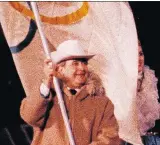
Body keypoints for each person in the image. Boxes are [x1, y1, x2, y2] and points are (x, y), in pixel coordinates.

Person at [20, 40, 120, 145]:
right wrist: (46, 84)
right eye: (75, 63)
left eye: (84, 63)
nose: (82, 68)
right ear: (61, 69)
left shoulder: (102, 103)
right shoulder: (50, 96)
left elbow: (110, 138)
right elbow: (29, 116)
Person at [124, 41, 160, 145]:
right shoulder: (120, 85)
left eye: (140, 54)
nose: (139, 59)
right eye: (133, 55)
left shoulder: (152, 79)